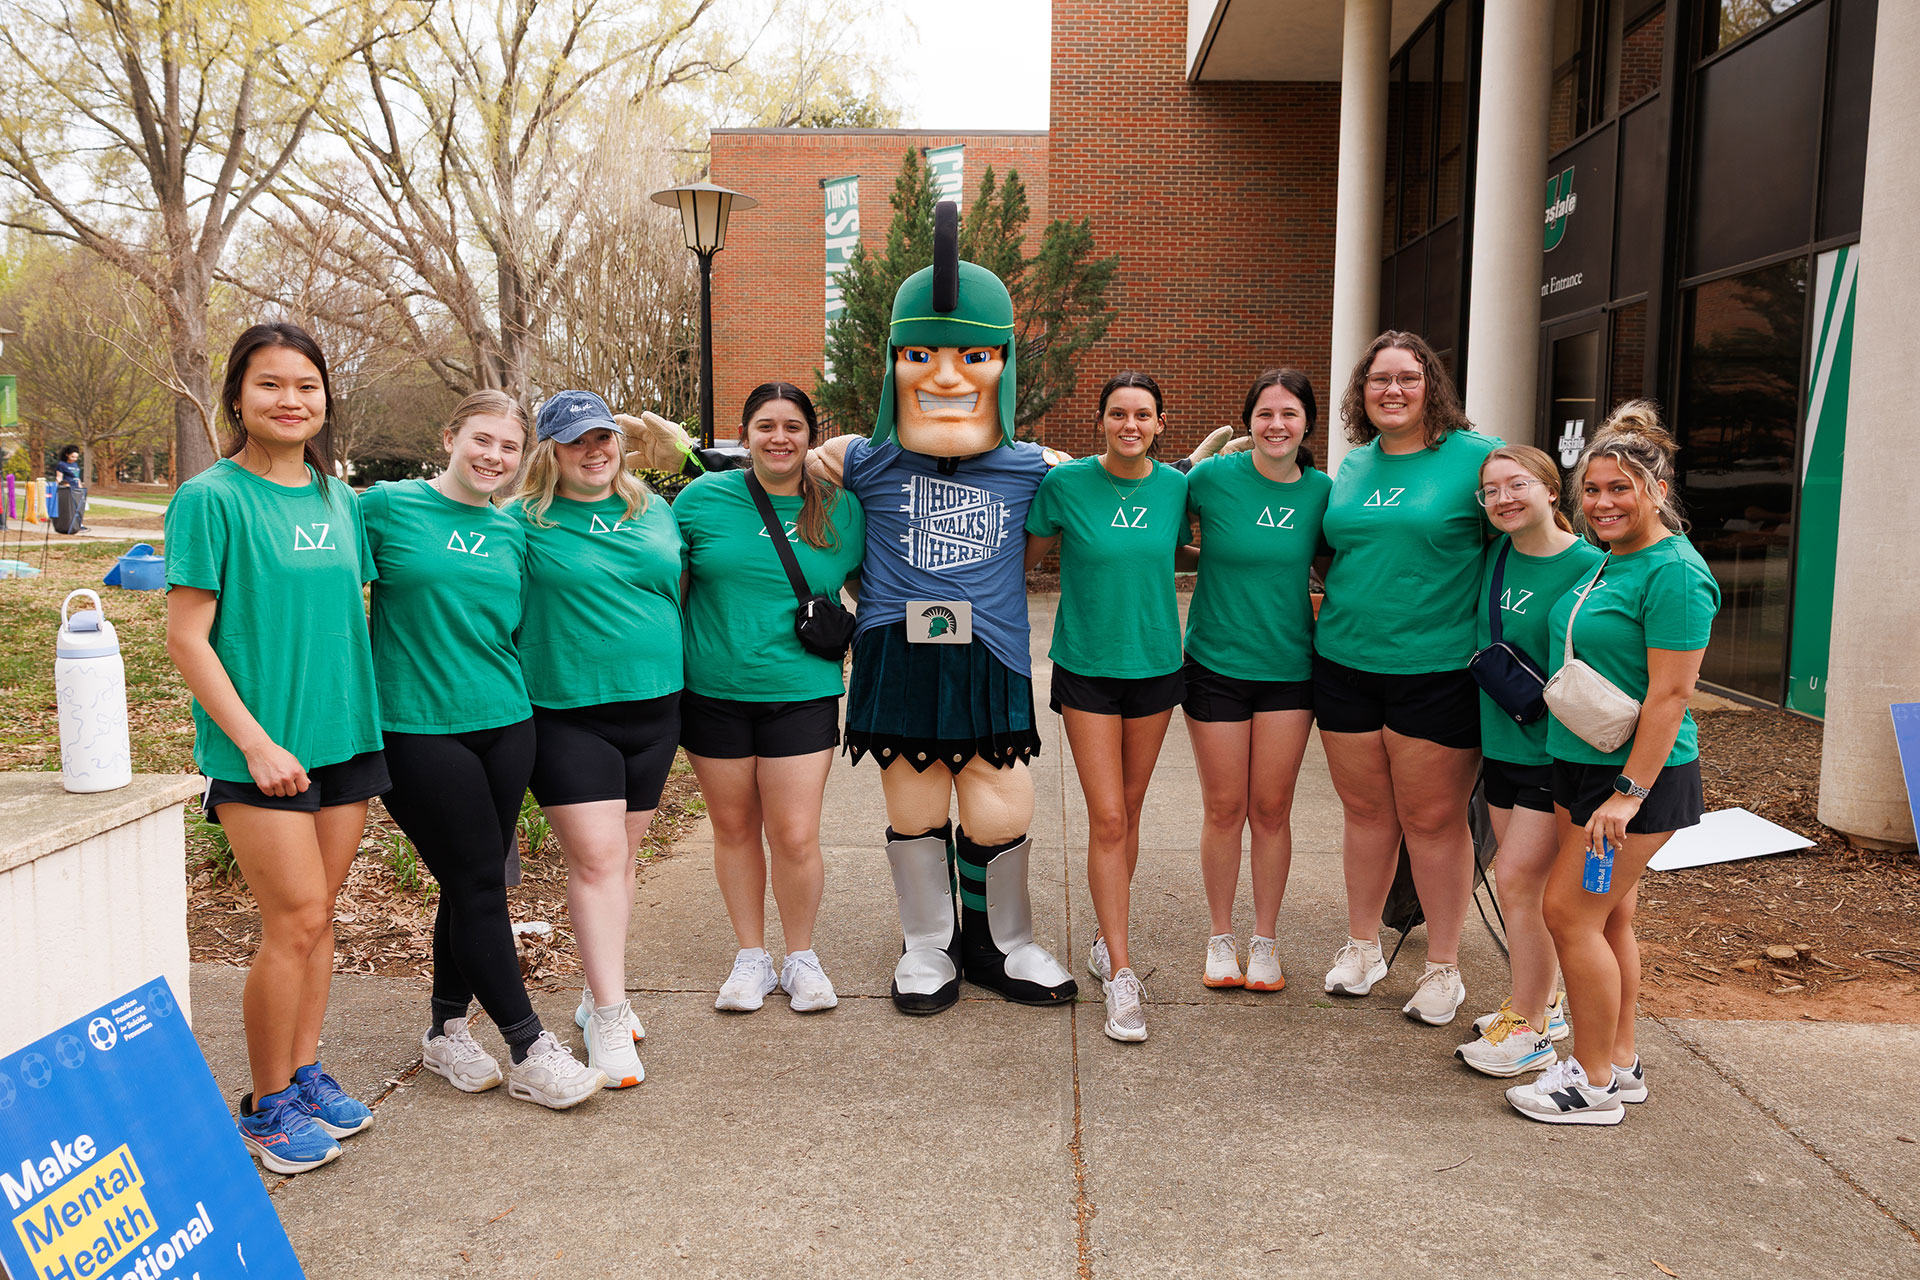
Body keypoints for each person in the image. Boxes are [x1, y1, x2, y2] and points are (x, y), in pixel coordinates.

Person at [164, 323, 383, 1173]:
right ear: (237, 396)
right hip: (261, 752)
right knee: (290, 920)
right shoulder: (212, 497)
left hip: (344, 741)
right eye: (270, 385)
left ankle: (301, 1072)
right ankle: (261, 1106)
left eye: (306, 386)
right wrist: (253, 743)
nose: (291, 400)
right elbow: (188, 639)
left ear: (325, 399)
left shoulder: (340, 500)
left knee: (320, 921)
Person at [362, 391, 605, 1109]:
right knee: (475, 881)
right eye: (481, 439)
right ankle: (530, 1046)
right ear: (450, 437)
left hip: (506, 723)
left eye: (507, 446)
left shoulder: (515, 532)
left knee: (473, 883)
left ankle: (443, 1030)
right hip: (416, 727)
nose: (493, 456)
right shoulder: (385, 508)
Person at [1508, 404, 1718, 1125]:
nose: (1602, 503)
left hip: (1632, 780)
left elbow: (1671, 697)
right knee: (1608, 917)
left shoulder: (1677, 574)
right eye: (1592, 490)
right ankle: (1619, 1061)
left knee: (1568, 912)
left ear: (1657, 490)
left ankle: (1590, 1084)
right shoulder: (1609, 558)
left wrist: (1628, 794)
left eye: (1619, 489)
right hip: (1580, 763)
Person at [1314, 330, 1499, 1025]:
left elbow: (1527, 540)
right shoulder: (1354, 466)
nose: (1392, 390)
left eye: (1408, 378)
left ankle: (1443, 968)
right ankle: (1362, 947)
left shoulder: (1475, 461)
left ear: (1433, 389)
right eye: (1378, 379)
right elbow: (1338, 553)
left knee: (1433, 820)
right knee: (1366, 815)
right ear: (1361, 392)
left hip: (1438, 670)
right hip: (1344, 664)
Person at [510, 390, 685, 1090]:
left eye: (604, 437)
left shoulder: (655, 509)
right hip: (565, 710)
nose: (594, 450)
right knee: (598, 860)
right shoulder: (522, 523)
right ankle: (610, 1015)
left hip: (655, 708)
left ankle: (593, 992)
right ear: (551, 450)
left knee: (623, 859)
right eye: (577, 440)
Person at [675, 383, 865, 1014]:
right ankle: (751, 957)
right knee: (732, 830)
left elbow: (876, 587)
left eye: (792, 426)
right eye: (765, 426)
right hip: (713, 694)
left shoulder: (842, 508)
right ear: (745, 433)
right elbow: (665, 588)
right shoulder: (702, 500)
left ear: (812, 435)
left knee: (795, 834)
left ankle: (802, 956)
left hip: (801, 693)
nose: (778, 438)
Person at [1023, 372, 1188, 1042]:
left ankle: (1102, 934)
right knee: (1109, 813)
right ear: (1100, 422)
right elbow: (1027, 563)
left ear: (1159, 423)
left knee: (1133, 806)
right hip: (1088, 665)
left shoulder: (1180, 488)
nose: (1130, 424)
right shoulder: (1063, 487)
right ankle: (1121, 973)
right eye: (1117, 414)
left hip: (1156, 663)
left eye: (1142, 415)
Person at [1178, 369, 1331, 993]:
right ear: (1249, 423)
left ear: (1306, 424)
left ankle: (1265, 940)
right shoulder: (1213, 479)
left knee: (1271, 809)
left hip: (1290, 671)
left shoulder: (1323, 492)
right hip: (1215, 664)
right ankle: (1221, 937)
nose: (1276, 425)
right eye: (1265, 414)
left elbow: (1341, 562)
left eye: (1289, 414)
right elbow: (1154, 516)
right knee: (1224, 808)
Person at [1453, 445, 1602, 1078]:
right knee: (1528, 890)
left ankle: (1531, 1027)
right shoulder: (1494, 557)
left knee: (1516, 881)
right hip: (1502, 742)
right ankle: (1543, 1001)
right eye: (1491, 491)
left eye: (1518, 485)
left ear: (1550, 489)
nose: (1505, 498)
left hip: (1556, 752)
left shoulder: (1595, 565)